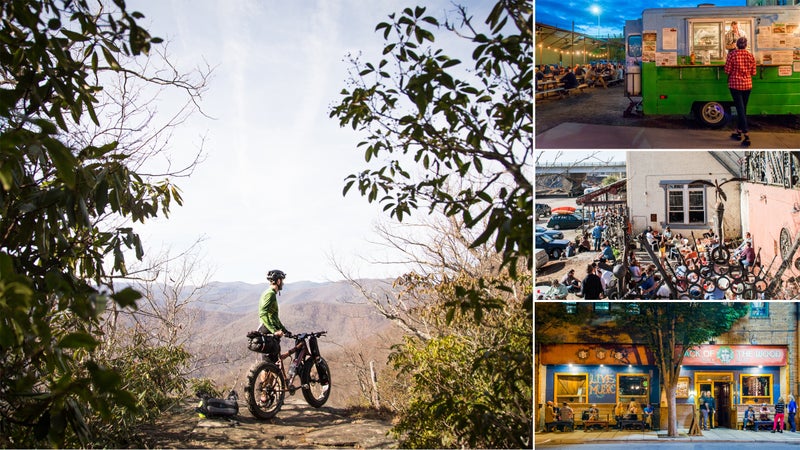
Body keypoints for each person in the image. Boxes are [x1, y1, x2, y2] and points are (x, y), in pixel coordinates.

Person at [724, 36, 757, 147]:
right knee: (743, 109)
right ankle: (738, 133)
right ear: (746, 45)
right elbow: (753, 72)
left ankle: (746, 136)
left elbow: (727, 70)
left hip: (735, 85)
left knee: (740, 109)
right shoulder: (750, 56)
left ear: (737, 45)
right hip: (747, 85)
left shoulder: (732, 55)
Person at [258, 270, 292, 360]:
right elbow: (263, 313)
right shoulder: (270, 294)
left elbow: (274, 317)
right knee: (271, 364)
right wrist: (274, 331)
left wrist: (285, 330)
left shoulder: (270, 293)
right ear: (278, 281)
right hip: (267, 330)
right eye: (282, 281)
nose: (283, 283)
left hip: (268, 329)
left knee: (274, 362)